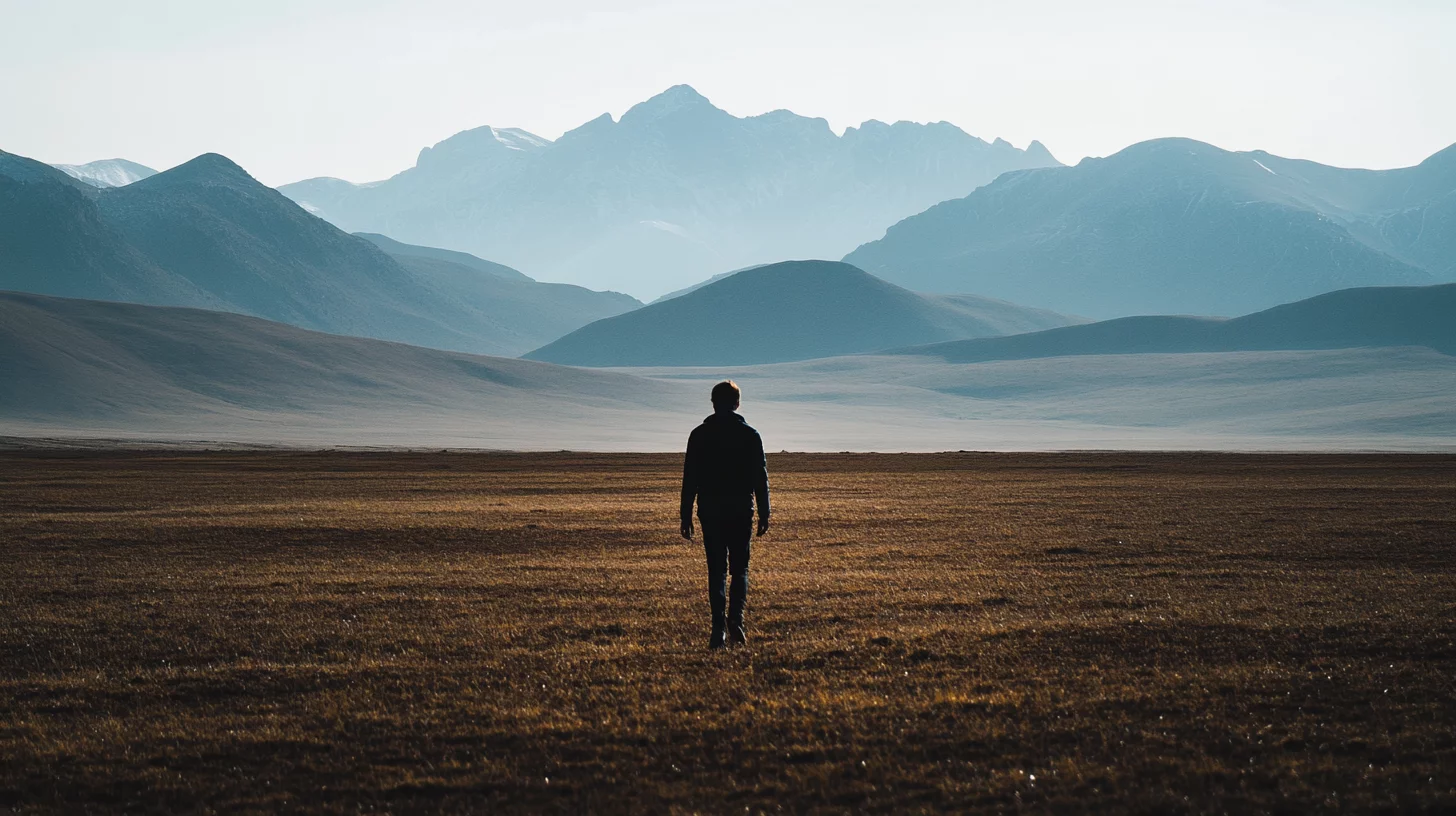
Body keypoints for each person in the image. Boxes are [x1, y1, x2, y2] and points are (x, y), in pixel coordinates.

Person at [680, 380, 770, 650]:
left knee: (716, 569)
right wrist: (765, 511)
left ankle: (718, 627)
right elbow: (760, 477)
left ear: (713, 403)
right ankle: (737, 622)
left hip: (710, 509)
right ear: (737, 403)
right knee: (740, 568)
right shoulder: (750, 434)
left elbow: (690, 478)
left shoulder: (699, 434)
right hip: (741, 509)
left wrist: (685, 515)